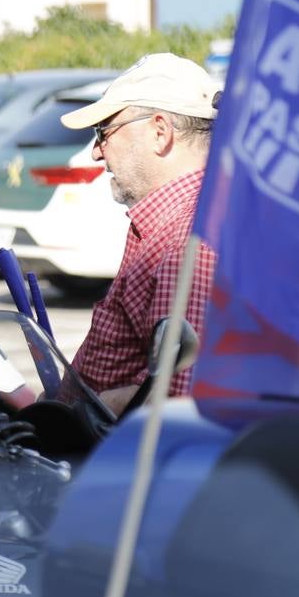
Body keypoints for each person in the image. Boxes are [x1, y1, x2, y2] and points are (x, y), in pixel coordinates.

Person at [54, 53, 219, 414]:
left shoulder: (187, 244)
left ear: (160, 132)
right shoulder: (167, 223)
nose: (97, 151)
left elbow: (174, 400)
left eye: (105, 132)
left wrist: (72, 414)